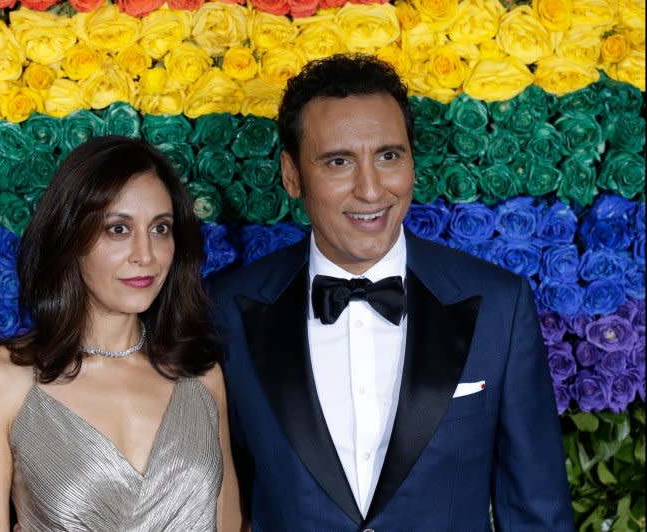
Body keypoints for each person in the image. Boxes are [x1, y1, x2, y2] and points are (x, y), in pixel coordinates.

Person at [206, 54, 574, 530]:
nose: (371, 189)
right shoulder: (226, 309)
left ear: (412, 163)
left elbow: (537, 513)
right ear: (292, 175)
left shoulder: (499, 305)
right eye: (339, 162)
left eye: (388, 156)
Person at [0, 136, 241, 531]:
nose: (145, 254)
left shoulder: (201, 375)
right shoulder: (2, 383)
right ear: (70, 237)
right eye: (118, 229)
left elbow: (229, 523)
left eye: (160, 228)